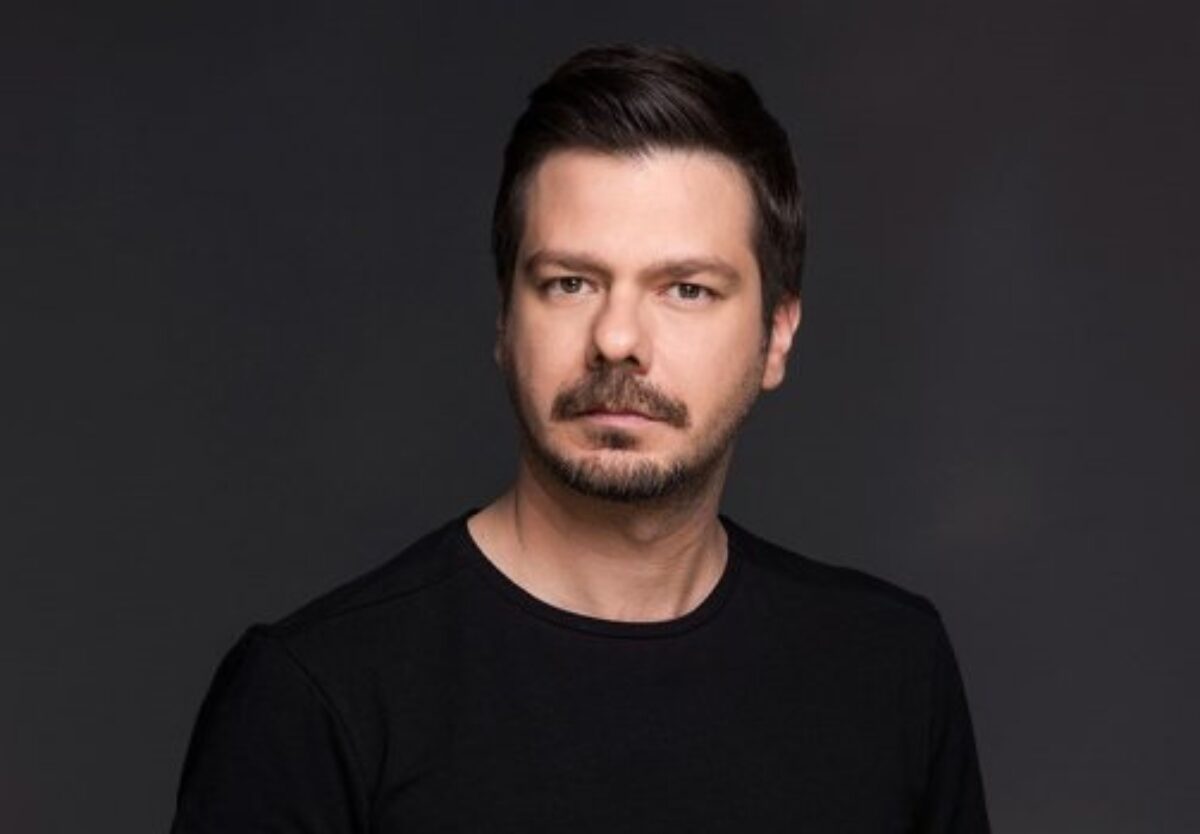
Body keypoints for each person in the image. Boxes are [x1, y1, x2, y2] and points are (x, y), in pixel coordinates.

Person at [170, 44, 990, 833]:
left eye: (687, 289)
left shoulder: (889, 669)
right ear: (505, 320)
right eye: (570, 283)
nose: (617, 339)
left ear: (776, 336)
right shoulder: (315, 696)